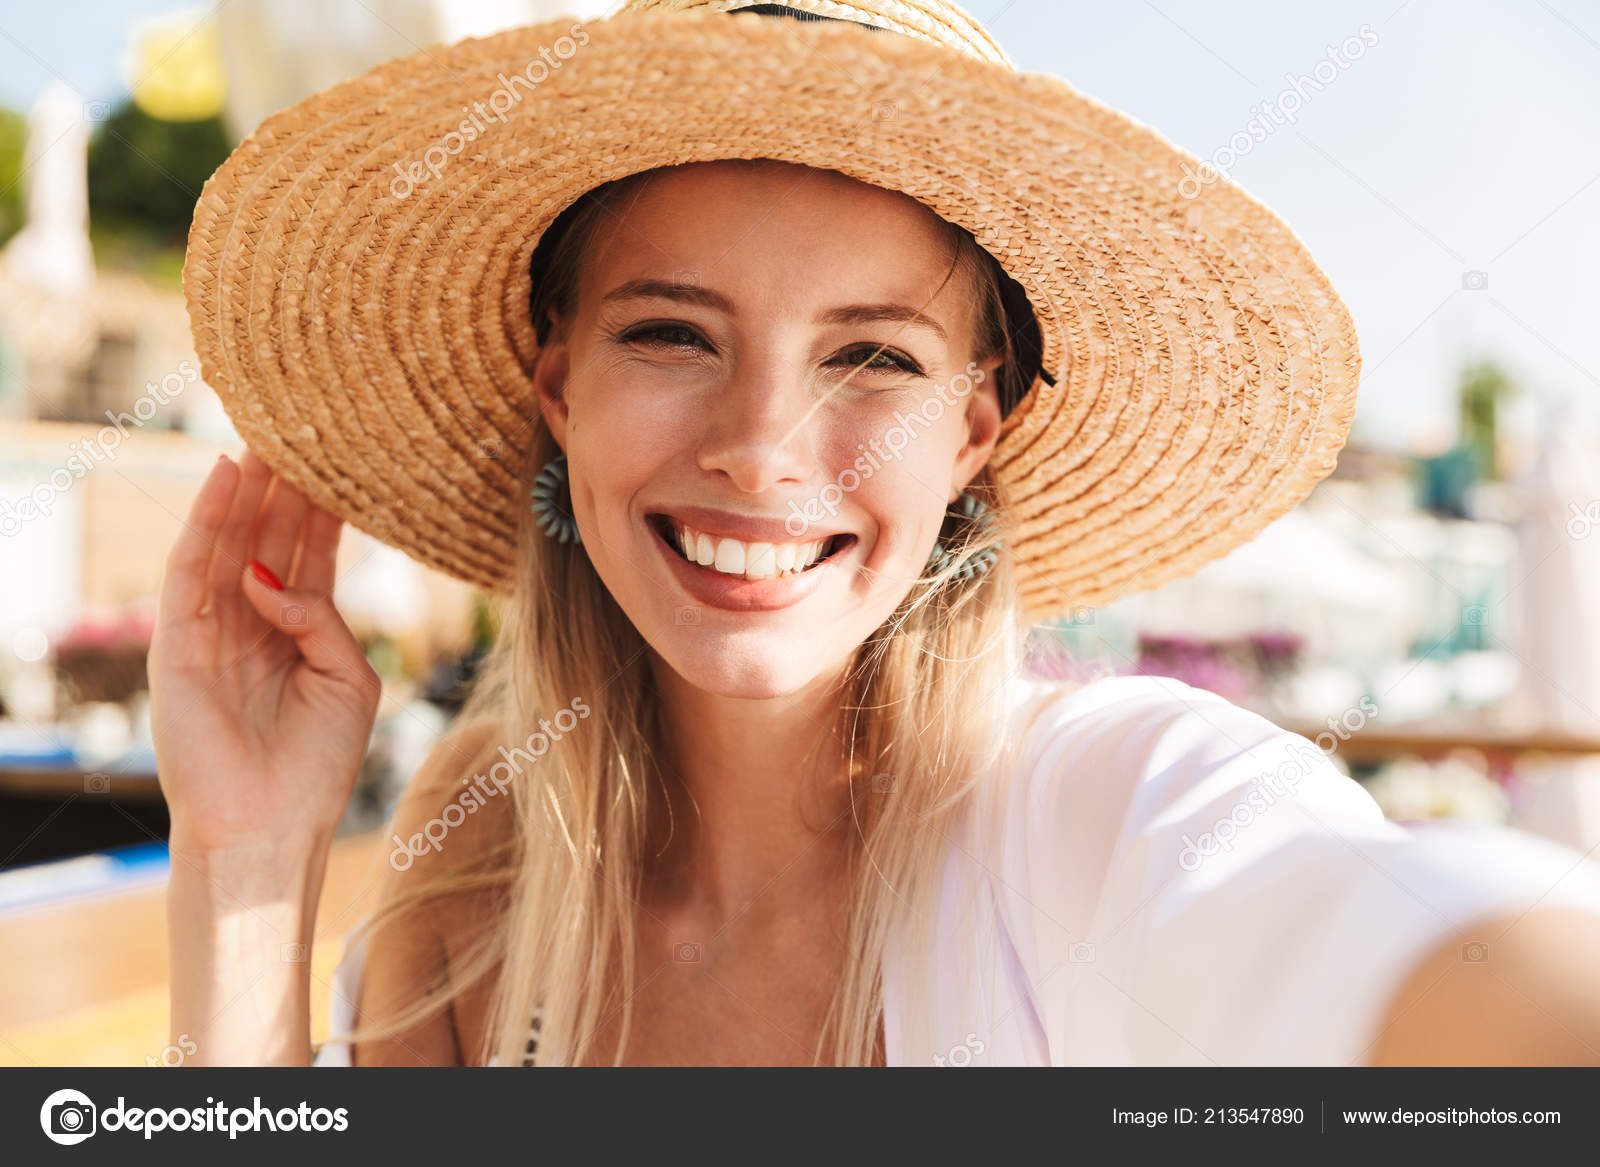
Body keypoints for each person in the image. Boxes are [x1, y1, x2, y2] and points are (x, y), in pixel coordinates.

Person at [153, 0, 1600, 1067]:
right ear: (559, 389)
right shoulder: (479, 885)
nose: (762, 447)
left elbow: (1447, 950)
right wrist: (245, 856)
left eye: (877, 359)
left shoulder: (1106, 813)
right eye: (670, 333)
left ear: (978, 434)